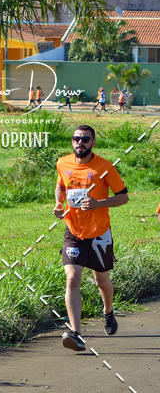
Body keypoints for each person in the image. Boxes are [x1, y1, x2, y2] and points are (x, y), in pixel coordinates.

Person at [54, 125, 128, 351]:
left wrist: (98, 204)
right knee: (72, 279)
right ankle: (76, 334)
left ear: (93, 142)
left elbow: (123, 197)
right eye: (76, 139)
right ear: (72, 142)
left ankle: (108, 311)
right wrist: (58, 204)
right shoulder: (63, 163)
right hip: (74, 232)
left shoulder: (104, 167)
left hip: (99, 233)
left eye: (85, 139)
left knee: (101, 281)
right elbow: (60, 186)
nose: (80, 143)